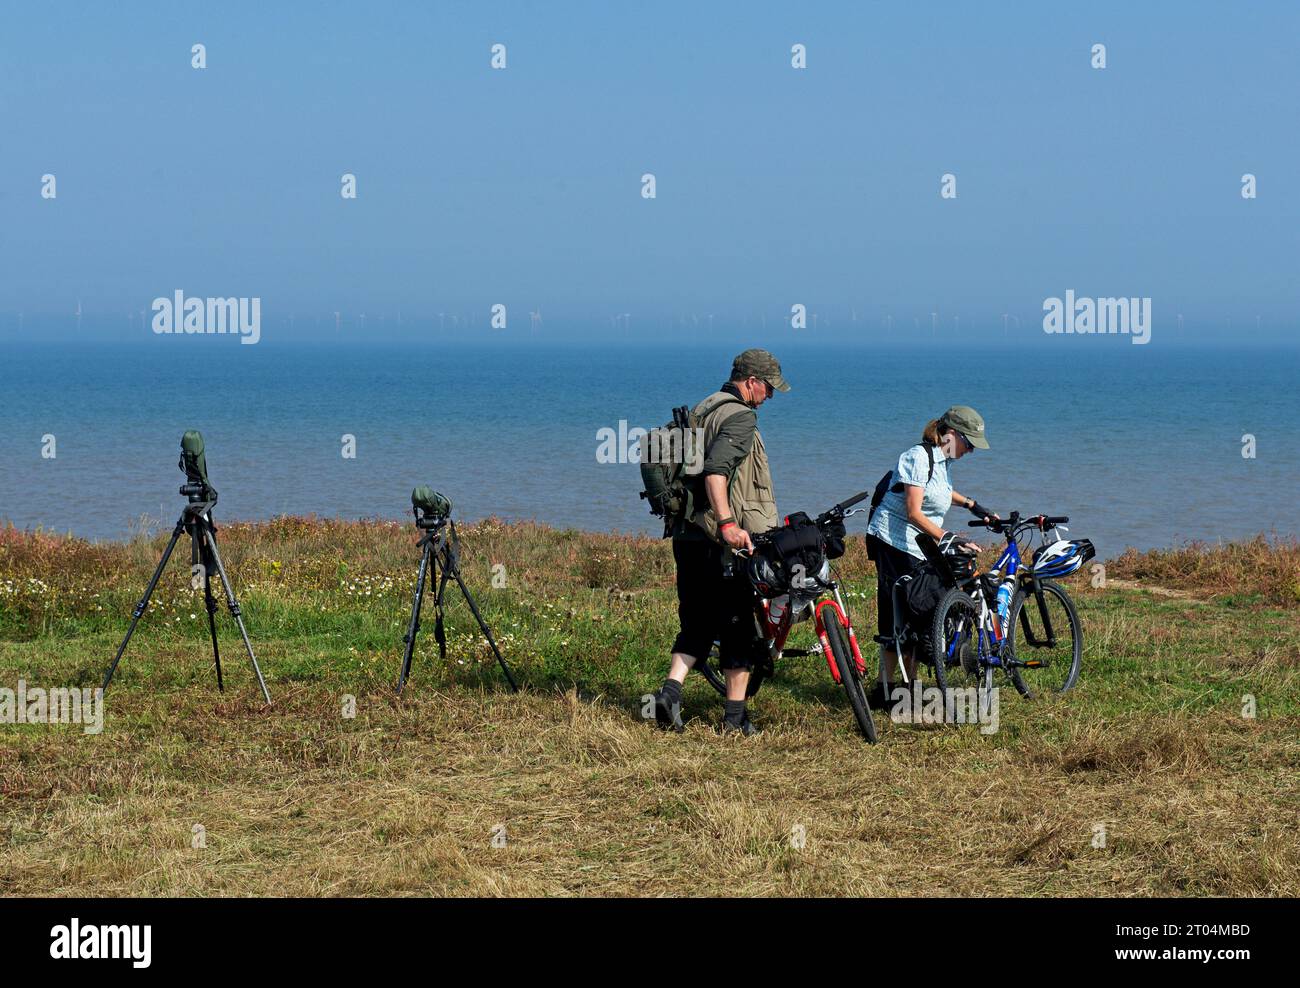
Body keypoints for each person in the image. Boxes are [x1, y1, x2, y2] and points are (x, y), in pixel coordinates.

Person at [651, 349, 788, 736]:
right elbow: (715, 473)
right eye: (769, 387)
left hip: (687, 536)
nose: (770, 396)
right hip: (719, 542)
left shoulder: (705, 408)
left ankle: (670, 692)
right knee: (736, 626)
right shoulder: (741, 417)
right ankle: (734, 720)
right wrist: (728, 524)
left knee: (697, 619)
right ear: (751, 382)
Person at [865, 405, 996, 706]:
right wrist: (949, 538)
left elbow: (938, 491)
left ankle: (909, 687)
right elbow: (913, 511)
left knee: (921, 610)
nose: (971, 451)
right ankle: (885, 690)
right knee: (897, 613)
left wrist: (972, 505)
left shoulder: (942, 461)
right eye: (970, 444)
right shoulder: (917, 456)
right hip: (893, 541)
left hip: (921, 544)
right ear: (951, 435)